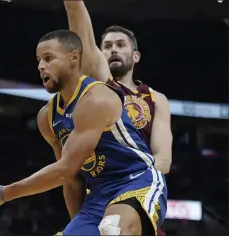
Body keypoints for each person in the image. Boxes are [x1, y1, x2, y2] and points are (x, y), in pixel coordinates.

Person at [0, 30, 167, 235]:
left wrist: (3, 193)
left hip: (136, 181)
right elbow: (71, 180)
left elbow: (64, 170)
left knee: (112, 229)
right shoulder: (47, 117)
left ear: (73, 57)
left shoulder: (96, 99)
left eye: (49, 58)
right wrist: (78, 226)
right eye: (39, 60)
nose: (41, 66)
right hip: (97, 195)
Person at [63, 1, 172, 235]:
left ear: (136, 55)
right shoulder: (100, 89)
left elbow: (163, 158)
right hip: (98, 192)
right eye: (107, 46)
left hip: (137, 189)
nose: (113, 49)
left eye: (120, 45)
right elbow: (81, 34)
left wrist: (133, 184)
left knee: (113, 228)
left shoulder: (155, 99)